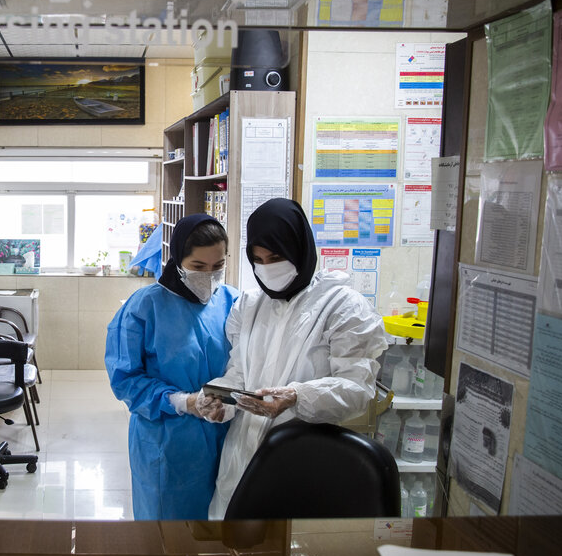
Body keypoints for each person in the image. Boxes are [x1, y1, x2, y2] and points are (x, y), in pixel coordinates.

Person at [194, 198, 390, 519]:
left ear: (299, 247)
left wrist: (298, 397)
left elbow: (357, 389)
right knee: (238, 547)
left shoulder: (342, 307)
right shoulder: (250, 306)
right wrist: (219, 400)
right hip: (243, 456)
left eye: (276, 257)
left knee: (292, 553)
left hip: (307, 457)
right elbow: (238, 376)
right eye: (257, 259)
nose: (267, 268)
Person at [105, 214, 239, 520]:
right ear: (178, 260)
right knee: (168, 534)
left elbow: (245, 364)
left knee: (219, 526)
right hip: (167, 440)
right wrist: (184, 401)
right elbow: (126, 378)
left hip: (226, 433)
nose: (209, 276)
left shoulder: (233, 302)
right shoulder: (144, 307)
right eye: (198, 267)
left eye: (218, 266)